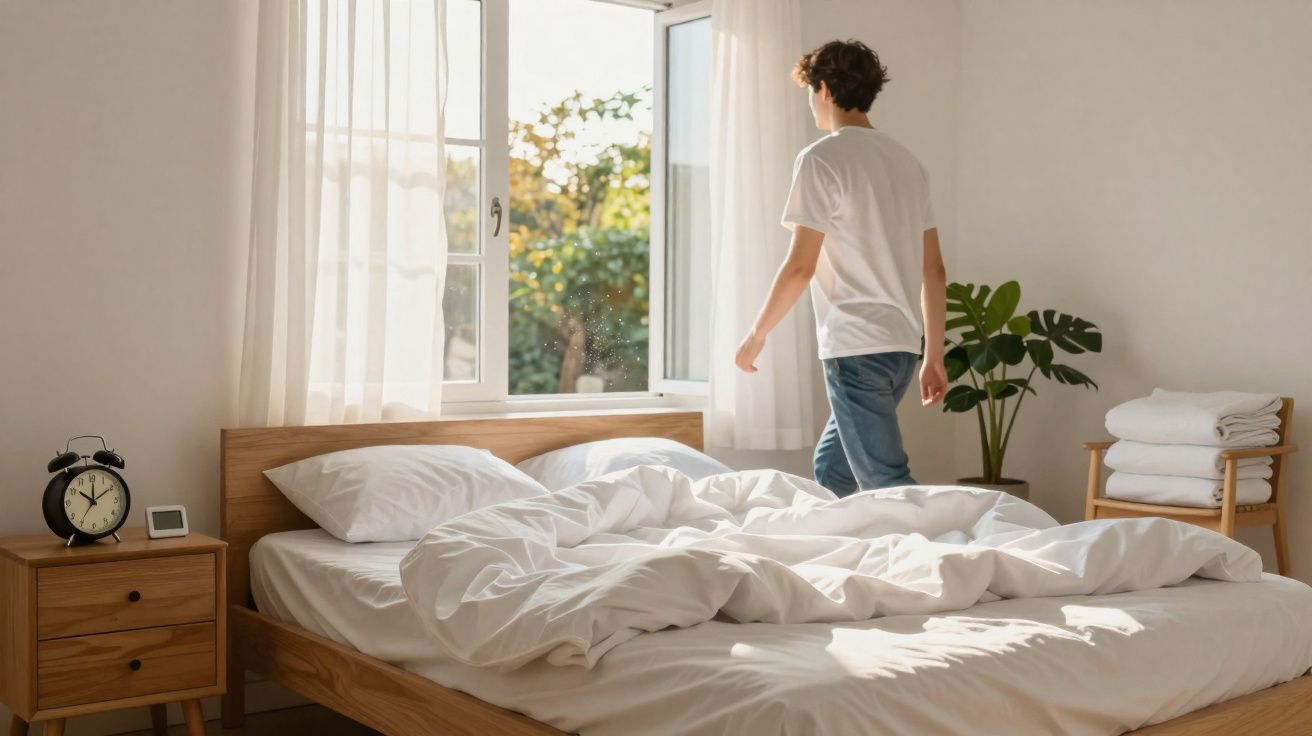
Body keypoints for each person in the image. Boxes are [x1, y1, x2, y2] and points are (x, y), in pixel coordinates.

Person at [734, 39, 948, 496]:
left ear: (825, 90)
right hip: (901, 349)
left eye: (811, 92)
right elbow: (934, 272)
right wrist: (933, 355)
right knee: (833, 471)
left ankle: (938, 559)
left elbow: (799, 268)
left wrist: (756, 336)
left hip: (856, 346)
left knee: (885, 482)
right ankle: (856, 557)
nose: (811, 104)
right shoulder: (909, 165)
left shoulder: (821, 158)